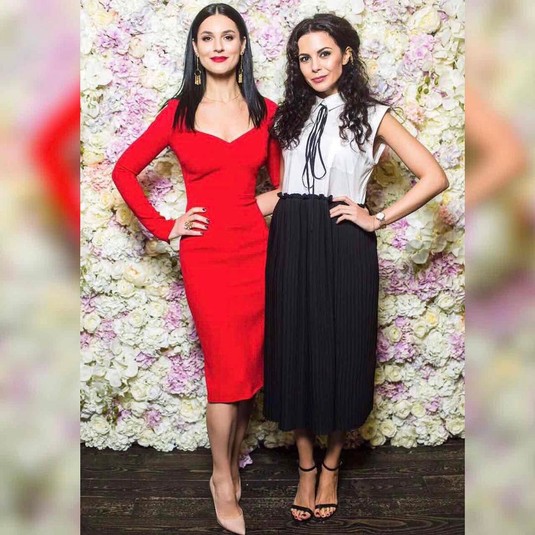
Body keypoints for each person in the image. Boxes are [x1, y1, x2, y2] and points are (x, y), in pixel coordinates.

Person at [263, 14, 449, 523]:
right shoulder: (287, 115)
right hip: (291, 235)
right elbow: (281, 187)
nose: (314, 65)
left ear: (347, 55)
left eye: (324, 53)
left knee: (344, 346)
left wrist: (376, 218)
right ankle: (305, 467)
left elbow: (434, 176)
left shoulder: (373, 113)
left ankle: (331, 465)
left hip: (344, 237)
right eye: (304, 57)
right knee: (294, 348)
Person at [112, 4, 281, 534]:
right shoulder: (178, 112)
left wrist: (250, 209)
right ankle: (221, 479)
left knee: (247, 368)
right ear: (195, 48)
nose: (218, 46)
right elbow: (124, 170)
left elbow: (285, 185)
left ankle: (232, 460)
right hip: (206, 255)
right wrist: (166, 226)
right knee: (225, 371)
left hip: (257, 251)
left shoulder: (268, 111)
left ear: (243, 45)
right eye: (207, 37)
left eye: (228, 36)